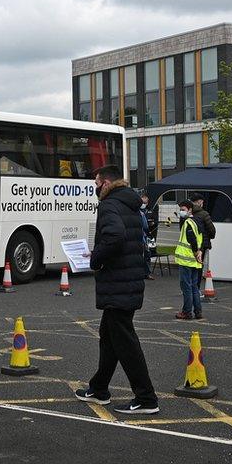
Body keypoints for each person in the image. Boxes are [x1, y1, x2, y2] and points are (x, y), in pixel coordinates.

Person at [74, 165, 159, 415]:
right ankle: (99, 388)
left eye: (96, 182)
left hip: (118, 283)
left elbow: (115, 237)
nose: (95, 187)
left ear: (106, 182)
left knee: (125, 342)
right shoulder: (129, 203)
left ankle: (146, 397)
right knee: (109, 337)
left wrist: (95, 258)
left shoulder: (109, 204)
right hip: (129, 279)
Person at [174, 200, 204, 320]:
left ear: (190, 209)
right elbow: (201, 238)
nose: (181, 211)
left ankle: (186, 312)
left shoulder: (188, 223)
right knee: (194, 287)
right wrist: (199, 251)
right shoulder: (197, 221)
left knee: (186, 287)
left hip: (186, 259)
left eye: (183, 209)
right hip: (194, 260)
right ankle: (198, 311)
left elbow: (191, 238)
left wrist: (196, 250)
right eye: (180, 209)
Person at [189, 192, 215, 289]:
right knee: (198, 267)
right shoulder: (204, 214)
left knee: (189, 267)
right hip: (202, 245)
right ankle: (196, 289)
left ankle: (188, 288)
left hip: (188, 245)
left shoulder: (187, 214)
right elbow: (212, 230)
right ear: (200, 202)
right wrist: (209, 237)